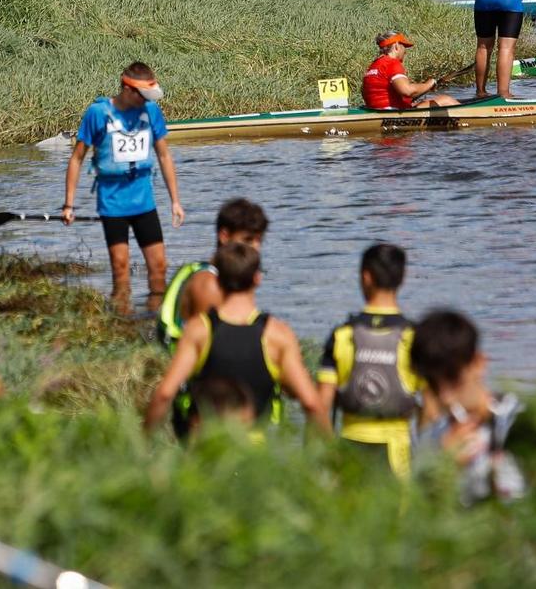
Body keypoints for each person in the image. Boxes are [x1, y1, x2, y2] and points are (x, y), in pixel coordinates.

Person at [143, 242, 327, 435]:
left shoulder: (198, 330)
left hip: (207, 444)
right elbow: (312, 404)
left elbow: (164, 394)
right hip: (257, 448)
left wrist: (143, 444)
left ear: (218, 280)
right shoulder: (277, 334)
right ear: (257, 278)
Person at [63, 63, 184, 315]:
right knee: (120, 269)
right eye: (143, 96)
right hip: (113, 203)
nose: (147, 102)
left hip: (144, 202)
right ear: (128, 90)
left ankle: (155, 317)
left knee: (159, 267)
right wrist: (69, 204)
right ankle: (122, 320)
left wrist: (175, 201)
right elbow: (76, 159)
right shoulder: (97, 113)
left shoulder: (151, 111)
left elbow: (164, 156)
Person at [316, 244, 422, 477]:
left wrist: (330, 457)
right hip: (397, 456)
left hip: (348, 453)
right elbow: (432, 409)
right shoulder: (414, 337)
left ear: (366, 277)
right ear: (402, 278)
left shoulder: (342, 335)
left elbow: (320, 408)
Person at [411, 310, 525, 503]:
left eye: (453, 378)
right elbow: (418, 507)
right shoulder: (433, 437)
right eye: (433, 384)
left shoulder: (519, 419)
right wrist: (445, 464)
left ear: (478, 363)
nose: (445, 397)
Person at [157, 198, 268, 349]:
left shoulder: (206, 271)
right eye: (248, 240)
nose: (256, 248)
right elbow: (212, 348)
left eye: (259, 241)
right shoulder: (210, 285)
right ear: (224, 236)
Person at [360, 32, 458, 110]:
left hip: (378, 109)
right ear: (396, 46)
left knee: (422, 102)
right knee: (446, 100)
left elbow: (369, 94)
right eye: (404, 46)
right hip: (393, 112)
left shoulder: (373, 66)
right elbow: (407, 91)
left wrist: (422, 90)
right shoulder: (392, 63)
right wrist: (429, 84)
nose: (405, 52)